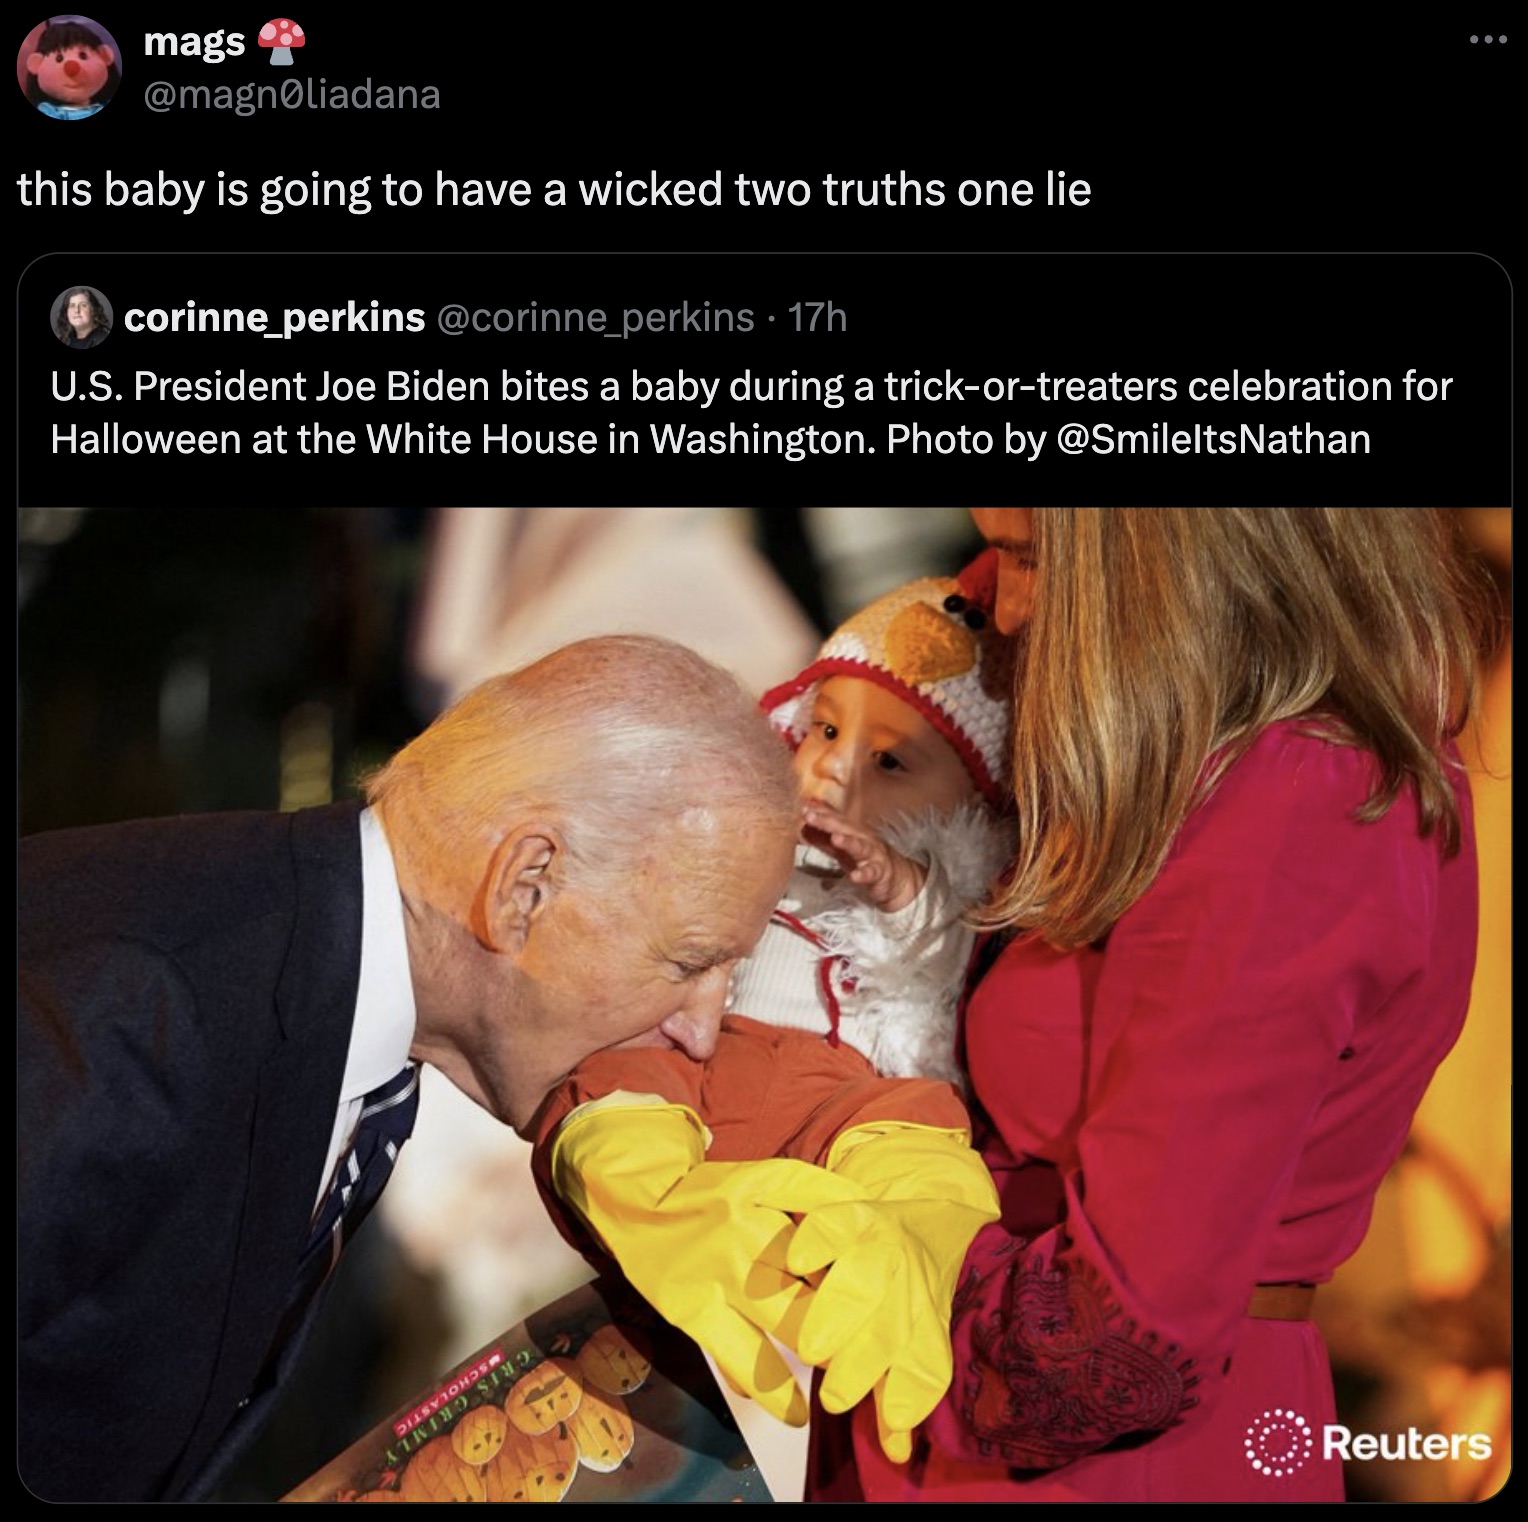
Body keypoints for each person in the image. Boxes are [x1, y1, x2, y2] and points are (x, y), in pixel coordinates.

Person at [18, 634, 827, 1504]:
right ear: (526, 887)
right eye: (688, 963)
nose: (702, 1030)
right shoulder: (127, 1007)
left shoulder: (338, 1004)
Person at [801, 507, 1487, 1502]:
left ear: (1177, 556)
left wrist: (828, 1260)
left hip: (1112, 1465)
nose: (999, 602)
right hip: (971, 1420)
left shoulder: (1297, 796)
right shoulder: (1178, 746)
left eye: (1029, 561)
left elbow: (1121, 1341)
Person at [528, 557, 1017, 1452]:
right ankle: (670, 1210)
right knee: (614, 1093)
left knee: (926, 1146)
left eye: (890, 762)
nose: (830, 771)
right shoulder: (761, 843)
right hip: (704, 1059)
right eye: (824, 730)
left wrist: (901, 884)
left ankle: (896, 1266)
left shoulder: (954, 891)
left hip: (844, 1102)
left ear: (974, 806)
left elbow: (946, 968)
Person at [25, 18, 120, 118]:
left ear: (105, 56)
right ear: (36, 64)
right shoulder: (50, 112)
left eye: (83, 56)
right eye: (59, 58)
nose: (72, 68)